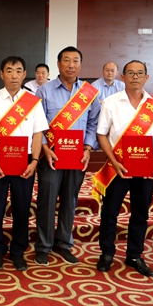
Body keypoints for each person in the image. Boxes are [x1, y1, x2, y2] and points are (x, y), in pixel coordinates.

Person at [93, 60, 153, 277]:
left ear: (147, 77)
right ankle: (107, 253)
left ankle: (135, 255)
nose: (135, 77)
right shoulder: (111, 102)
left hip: (145, 170)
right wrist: (113, 161)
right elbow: (101, 134)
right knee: (109, 212)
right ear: (123, 77)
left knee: (140, 213)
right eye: (130, 73)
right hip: (117, 167)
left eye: (139, 73)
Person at [36, 46, 101, 266]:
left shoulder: (89, 93)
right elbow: (38, 123)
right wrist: (44, 147)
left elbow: (93, 123)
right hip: (51, 155)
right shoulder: (44, 91)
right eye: (66, 60)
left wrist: (88, 148)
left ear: (80, 65)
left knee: (69, 200)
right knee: (46, 200)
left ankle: (64, 243)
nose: (71, 65)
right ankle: (43, 245)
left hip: (77, 156)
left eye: (75, 61)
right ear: (58, 64)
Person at [0, 56, 47, 271]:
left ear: (24, 74)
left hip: (24, 162)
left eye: (19, 71)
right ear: (2, 74)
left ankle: (18, 251)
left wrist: (35, 161)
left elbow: (37, 135)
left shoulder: (32, 102)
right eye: (9, 71)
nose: (14, 75)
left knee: (22, 207)